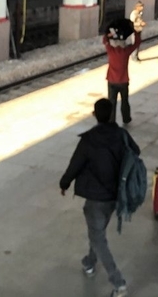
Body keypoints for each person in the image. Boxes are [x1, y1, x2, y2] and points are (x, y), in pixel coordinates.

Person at [60, 99, 138, 297]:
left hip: (96, 196)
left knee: (98, 236)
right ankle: (89, 261)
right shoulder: (121, 134)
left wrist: (64, 183)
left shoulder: (89, 139)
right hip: (115, 195)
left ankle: (118, 283)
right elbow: (135, 151)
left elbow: (75, 164)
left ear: (94, 114)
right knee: (98, 231)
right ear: (112, 114)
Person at [103, 26, 141, 124]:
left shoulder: (111, 51)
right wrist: (135, 32)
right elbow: (136, 43)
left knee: (111, 102)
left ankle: (111, 121)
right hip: (123, 81)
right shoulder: (126, 51)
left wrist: (108, 34)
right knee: (125, 101)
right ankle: (126, 118)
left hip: (112, 81)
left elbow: (105, 41)